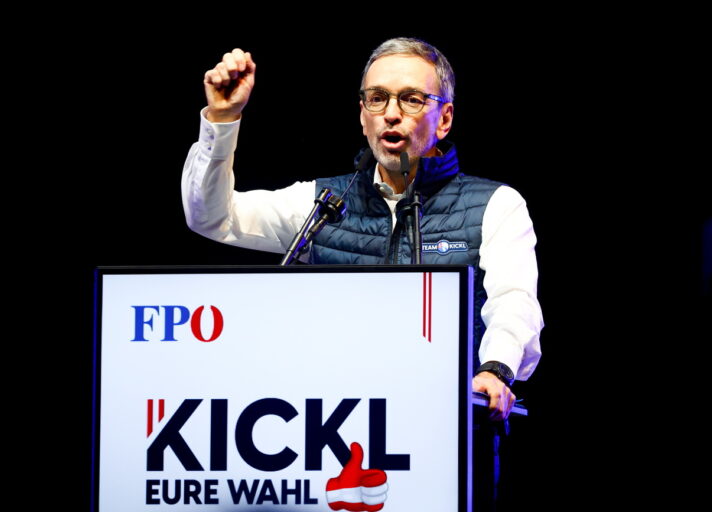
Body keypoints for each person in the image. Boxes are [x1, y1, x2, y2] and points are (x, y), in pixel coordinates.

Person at [182, 37, 543, 509]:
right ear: (362, 114)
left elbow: (515, 303)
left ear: (445, 118)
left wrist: (495, 370)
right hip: (332, 448)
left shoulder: (494, 204)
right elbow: (212, 217)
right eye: (377, 98)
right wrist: (223, 121)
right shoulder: (319, 204)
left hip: (446, 438)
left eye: (412, 99)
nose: (391, 113)